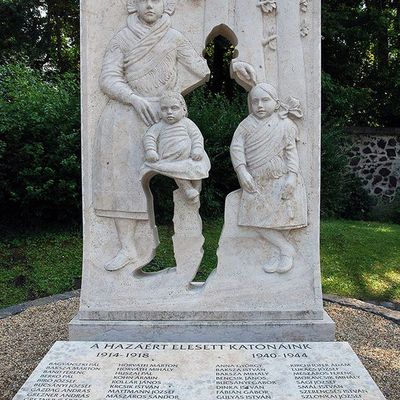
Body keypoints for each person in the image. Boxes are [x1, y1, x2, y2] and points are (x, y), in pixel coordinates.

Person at [92, 0, 210, 271]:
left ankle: (189, 230)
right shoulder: (122, 38)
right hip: (125, 115)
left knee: (182, 160)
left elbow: (199, 68)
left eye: (155, 0)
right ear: (134, 5)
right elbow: (108, 79)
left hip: (165, 114)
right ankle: (127, 247)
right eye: (143, 0)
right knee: (122, 181)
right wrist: (133, 98)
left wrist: (170, 97)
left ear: (166, 6)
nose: (149, 5)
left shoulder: (174, 37)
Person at [230, 83, 307, 274]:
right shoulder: (246, 125)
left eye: (265, 100)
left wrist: (292, 177)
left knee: (282, 219)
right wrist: (242, 171)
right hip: (255, 182)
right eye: (255, 101)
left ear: (276, 103)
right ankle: (285, 248)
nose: (260, 105)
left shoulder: (285, 125)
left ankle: (279, 252)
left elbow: (291, 153)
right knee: (256, 220)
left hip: (280, 180)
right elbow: (236, 148)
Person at [142, 92, 210, 203]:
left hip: (191, 157)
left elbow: (197, 137)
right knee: (176, 171)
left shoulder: (187, 123)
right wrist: (150, 150)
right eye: (164, 109)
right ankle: (187, 188)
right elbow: (149, 137)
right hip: (169, 158)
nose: (169, 112)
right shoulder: (159, 126)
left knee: (197, 169)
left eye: (174, 108)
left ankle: (196, 189)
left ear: (183, 110)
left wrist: (197, 149)